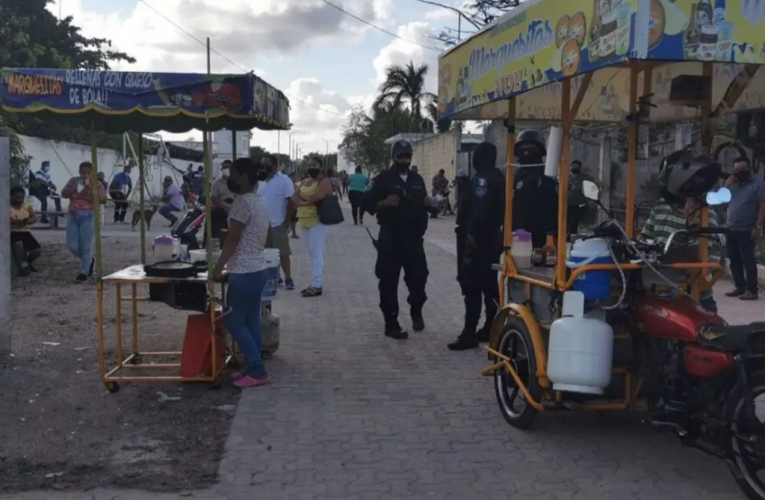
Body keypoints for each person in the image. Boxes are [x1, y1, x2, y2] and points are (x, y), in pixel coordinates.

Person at [363, 140, 439, 339]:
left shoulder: (417, 179)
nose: (404, 160)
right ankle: (391, 323)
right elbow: (367, 202)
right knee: (388, 282)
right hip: (390, 239)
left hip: (414, 240)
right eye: (400, 157)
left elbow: (423, 202)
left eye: (407, 156)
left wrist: (430, 204)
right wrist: (383, 202)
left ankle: (416, 309)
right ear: (393, 157)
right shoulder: (383, 179)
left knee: (419, 279)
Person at [212, 157, 272, 389]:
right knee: (250, 320)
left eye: (233, 174)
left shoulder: (242, 204)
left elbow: (233, 239)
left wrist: (218, 267)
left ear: (244, 177)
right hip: (258, 267)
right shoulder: (258, 201)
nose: (229, 179)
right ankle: (252, 365)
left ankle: (257, 369)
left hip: (244, 270)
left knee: (233, 321)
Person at [448, 143, 505, 350]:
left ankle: (469, 333)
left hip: (476, 239)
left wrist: (470, 237)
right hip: (491, 239)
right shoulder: (498, 178)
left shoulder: (483, 180)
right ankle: (491, 327)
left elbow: (479, 212)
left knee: (471, 284)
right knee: (489, 285)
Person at [639, 197, 721, 313]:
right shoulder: (660, 205)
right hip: (655, 283)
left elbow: (696, 255)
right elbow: (644, 238)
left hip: (690, 288)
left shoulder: (705, 213)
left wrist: (692, 220)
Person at [724, 157, 765, 301]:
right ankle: (740, 287)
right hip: (731, 228)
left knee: (747, 259)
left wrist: (757, 227)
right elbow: (719, 200)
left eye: (743, 169)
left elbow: (763, 206)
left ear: (749, 169)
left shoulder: (757, 185)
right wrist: (727, 185)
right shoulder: (733, 185)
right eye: (737, 170)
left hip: (747, 228)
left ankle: (752, 290)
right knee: (734, 258)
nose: (740, 172)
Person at [291, 156, 333, 297]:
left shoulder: (324, 181)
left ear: (320, 167)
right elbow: (294, 197)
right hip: (304, 220)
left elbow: (318, 197)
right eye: (309, 164)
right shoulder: (305, 181)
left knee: (316, 253)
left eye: (314, 165)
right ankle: (314, 283)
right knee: (310, 253)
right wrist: (304, 202)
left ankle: (317, 285)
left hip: (317, 220)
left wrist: (301, 200)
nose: (311, 167)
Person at [60, 161, 106, 283]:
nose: (85, 175)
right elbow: (63, 194)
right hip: (73, 214)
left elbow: (103, 200)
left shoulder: (97, 184)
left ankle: (84, 272)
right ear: (79, 172)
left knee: (85, 245)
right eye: (82, 172)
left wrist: (90, 187)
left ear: (92, 173)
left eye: (87, 173)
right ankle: (89, 260)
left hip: (88, 215)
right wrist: (72, 188)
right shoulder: (73, 181)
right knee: (72, 245)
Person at [513, 129, 558, 248]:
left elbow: (554, 207)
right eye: (523, 149)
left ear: (539, 151)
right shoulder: (513, 176)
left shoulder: (547, 176)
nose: (527, 153)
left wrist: (552, 233)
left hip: (539, 235)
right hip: (515, 234)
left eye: (531, 149)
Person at [259, 154, 296, 290]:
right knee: (266, 253)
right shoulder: (260, 181)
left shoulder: (284, 180)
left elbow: (290, 202)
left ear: (274, 166)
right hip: (261, 225)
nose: (263, 167)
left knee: (283, 253)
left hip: (277, 223)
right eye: (262, 164)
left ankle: (288, 278)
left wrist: (287, 221)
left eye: (266, 164)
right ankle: (275, 276)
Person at [10, 186, 41, 276]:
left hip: (25, 231)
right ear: (11, 196)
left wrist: (27, 221)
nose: (19, 200)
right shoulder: (6, 206)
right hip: (12, 232)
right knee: (18, 244)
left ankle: (26, 263)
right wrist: (13, 222)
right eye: (17, 198)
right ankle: (20, 267)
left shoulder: (27, 206)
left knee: (37, 250)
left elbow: (34, 217)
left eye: (22, 198)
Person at [566, 160, 597, 236]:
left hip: (578, 204)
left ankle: (571, 237)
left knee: (573, 222)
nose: (575, 168)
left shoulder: (584, 177)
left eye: (577, 167)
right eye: (574, 166)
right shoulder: (566, 177)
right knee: (565, 222)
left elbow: (596, 183)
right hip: (566, 203)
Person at [210, 160, 235, 239]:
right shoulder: (217, 183)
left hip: (235, 211)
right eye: (224, 167)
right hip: (221, 211)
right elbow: (214, 198)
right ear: (221, 169)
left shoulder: (236, 183)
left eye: (229, 167)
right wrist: (224, 207)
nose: (226, 169)